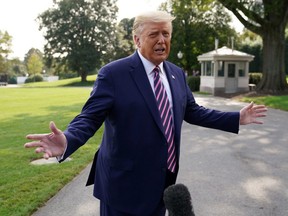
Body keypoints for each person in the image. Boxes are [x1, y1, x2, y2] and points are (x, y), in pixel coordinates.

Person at [24, 11, 267, 216]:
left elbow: (193, 112)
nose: (162, 40)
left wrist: (237, 118)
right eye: (154, 34)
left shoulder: (176, 74)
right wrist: (67, 139)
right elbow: (89, 118)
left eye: (166, 34)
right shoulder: (113, 74)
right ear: (137, 40)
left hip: (162, 183)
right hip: (122, 188)